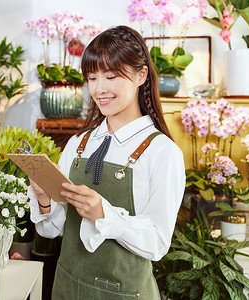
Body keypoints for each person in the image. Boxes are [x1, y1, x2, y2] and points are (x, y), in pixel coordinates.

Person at [28, 25, 185, 299]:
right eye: (91, 78)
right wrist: (44, 198)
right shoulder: (79, 144)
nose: (99, 89)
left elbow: (158, 243)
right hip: (66, 288)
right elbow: (52, 230)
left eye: (111, 76)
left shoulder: (162, 152)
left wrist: (104, 213)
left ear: (141, 75)